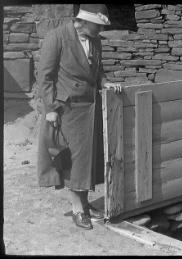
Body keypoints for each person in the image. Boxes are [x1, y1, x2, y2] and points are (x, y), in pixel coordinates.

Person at [37, 4, 121, 230]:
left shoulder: (95, 40)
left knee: (87, 161)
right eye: (98, 25)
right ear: (83, 20)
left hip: (90, 107)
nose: (100, 30)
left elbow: (98, 69)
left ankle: (84, 202)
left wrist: (105, 82)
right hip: (68, 110)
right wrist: (51, 108)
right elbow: (44, 77)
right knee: (74, 161)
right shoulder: (57, 37)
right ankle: (77, 209)